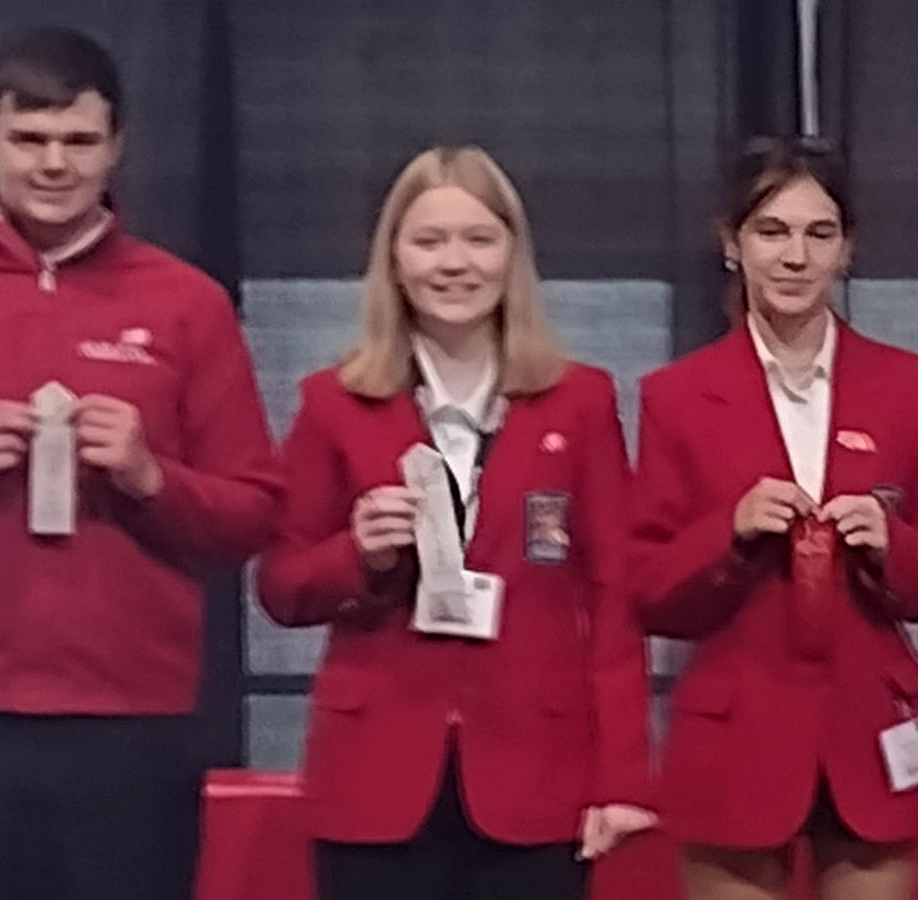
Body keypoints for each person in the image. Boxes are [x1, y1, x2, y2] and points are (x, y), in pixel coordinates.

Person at [0, 26, 281, 900]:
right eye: (29, 140)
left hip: (130, 731)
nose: (54, 164)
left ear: (118, 146)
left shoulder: (187, 304)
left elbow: (252, 515)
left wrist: (151, 479)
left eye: (78, 140)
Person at [255, 145, 655, 900]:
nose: (454, 263)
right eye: (429, 241)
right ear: (395, 260)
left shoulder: (581, 401)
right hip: (376, 775)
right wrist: (358, 556)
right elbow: (280, 586)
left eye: (478, 239)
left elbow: (613, 598)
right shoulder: (333, 403)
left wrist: (623, 777)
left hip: (535, 774)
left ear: (512, 254)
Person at [628, 136, 918, 900]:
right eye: (772, 232)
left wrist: (891, 543)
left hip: (872, 726)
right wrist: (731, 530)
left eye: (819, 234)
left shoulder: (908, 385)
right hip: (737, 732)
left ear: (848, 248)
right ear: (732, 244)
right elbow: (647, 588)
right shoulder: (676, 396)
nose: (794, 256)